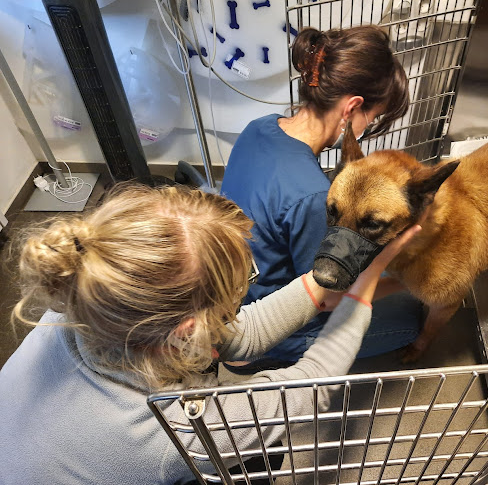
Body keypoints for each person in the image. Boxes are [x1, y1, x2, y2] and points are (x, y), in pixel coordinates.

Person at [0, 184, 421, 485]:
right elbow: (312, 379)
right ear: (187, 330)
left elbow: (239, 335)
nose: (241, 300)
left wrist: (324, 280)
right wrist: (368, 281)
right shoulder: (171, 433)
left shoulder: (88, 300)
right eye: (240, 289)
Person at [220, 25, 423, 371]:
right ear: (352, 107)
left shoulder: (261, 126)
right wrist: (405, 279)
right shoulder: (312, 197)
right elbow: (328, 295)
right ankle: (272, 354)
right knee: (412, 313)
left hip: (235, 296)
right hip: (274, 327)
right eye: (370, 120)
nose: (363, 132)